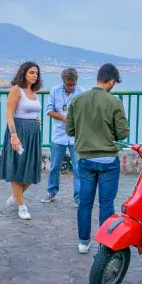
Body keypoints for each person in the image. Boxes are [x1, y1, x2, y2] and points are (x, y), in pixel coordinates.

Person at [66, 63, 129, 254]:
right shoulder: (114, 102)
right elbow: (123, 133)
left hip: (85, 159)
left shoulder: (77, 100)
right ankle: (105, 242)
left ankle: (83, 242)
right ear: (110, 81)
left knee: (85, 202)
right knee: (106, 204)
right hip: (109, 161)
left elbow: (69, 129)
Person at [0, 61, 43, 220]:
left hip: (33, 134)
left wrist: (37, 121)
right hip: (19, 132)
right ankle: (22, 207)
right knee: (17, 169)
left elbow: (32, 112)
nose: (34, 75)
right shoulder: (16, 90)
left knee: (31, 169)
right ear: (24, 73)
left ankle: (16, 197)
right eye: (31, 72)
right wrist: (14, 135)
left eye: (36, 73)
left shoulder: (33, 91)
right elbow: (9, 114)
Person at [41, 68, 84, 205]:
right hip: (59, 135)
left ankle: (78, 197)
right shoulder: (55, 91)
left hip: (76, 136)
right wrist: (64, 118)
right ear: (63, 81)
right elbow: (49, 110)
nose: (70, 87)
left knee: (78, 168)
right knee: (54, 166)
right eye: (68, 84)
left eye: (73, 84)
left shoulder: (82, 93)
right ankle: (51, 192)